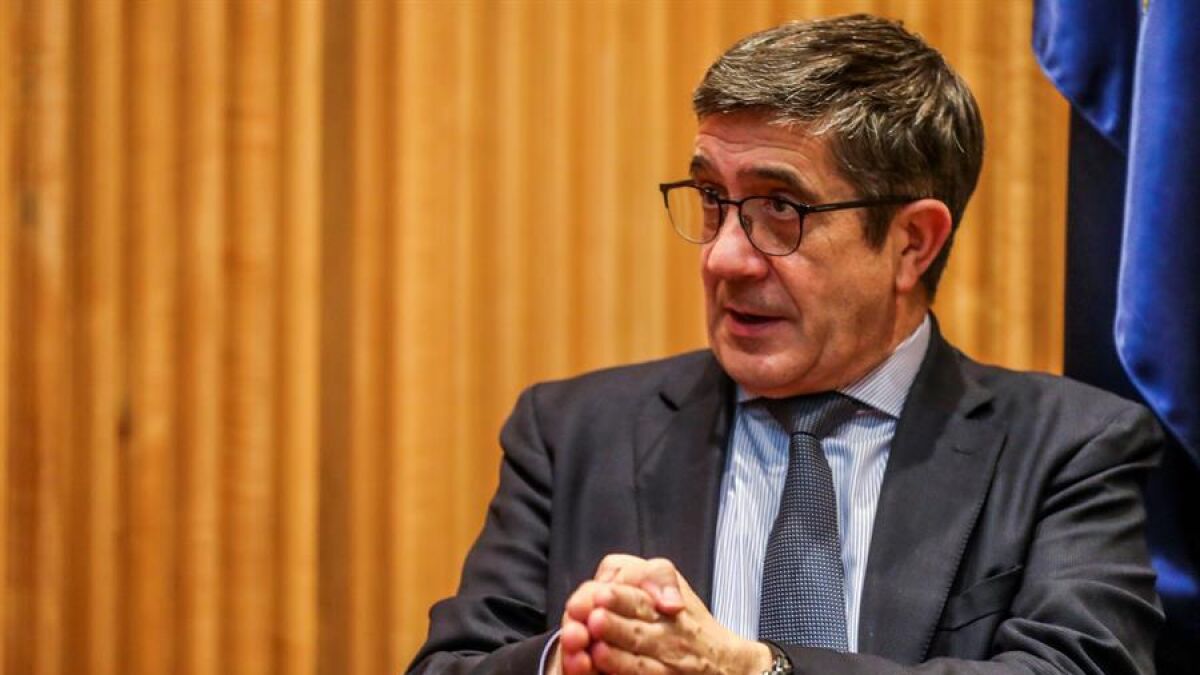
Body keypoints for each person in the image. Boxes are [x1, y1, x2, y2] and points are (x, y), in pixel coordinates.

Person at [407, 14, 1162, 675]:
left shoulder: (1068, 449)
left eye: (780, 209)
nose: (724, 257)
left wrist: (753, 669)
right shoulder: (572, 434)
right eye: (712, 199)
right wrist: (571, 661)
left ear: (912, 243)